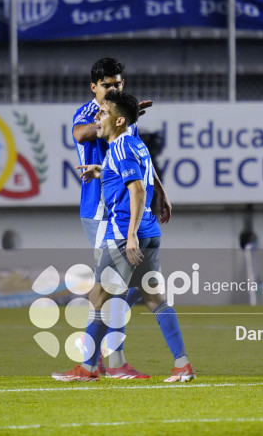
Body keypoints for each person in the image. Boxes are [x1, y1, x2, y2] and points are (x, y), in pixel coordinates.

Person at [53, 91, 195, 383]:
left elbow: (138, 190)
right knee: (155, 299)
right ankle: (182, 364)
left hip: (124, 234)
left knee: (99, 299)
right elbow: (132, 175)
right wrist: (101, 171)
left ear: (118, 121)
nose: (97, 118)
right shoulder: (135, 144)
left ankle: (89, 368)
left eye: (103, 113)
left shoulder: (118, 148)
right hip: (150, 231)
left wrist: (129, 236)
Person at [69, 57, 172, 379]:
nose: (113, 89)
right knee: (110, 287)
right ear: (93, 87)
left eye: (117, 84)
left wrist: (160, 191)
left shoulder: (123, 117)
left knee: (115, 287)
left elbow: (137, 155)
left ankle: (103, 361)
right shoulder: (89, 114)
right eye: (107, 85)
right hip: (100, 210)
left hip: (121, 209)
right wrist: (111, 120)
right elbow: (81, 134)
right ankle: (108, 362)